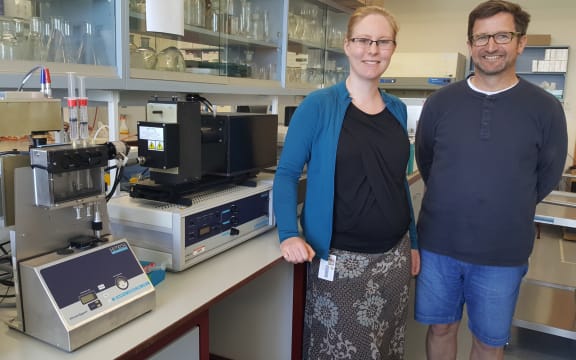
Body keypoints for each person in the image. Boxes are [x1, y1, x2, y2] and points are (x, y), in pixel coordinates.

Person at [414, 1, 568, 359]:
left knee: (489, 340)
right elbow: (427, 160)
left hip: (503, 251)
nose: (490, 46)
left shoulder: (545, 108)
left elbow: (547, 174)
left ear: (520, 42)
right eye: (481, 37)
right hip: (439, 245)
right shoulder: (440, 103)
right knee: (441, 328)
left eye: (502, 35)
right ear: (470, 44)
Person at [273, 5, 420, 360]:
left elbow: (397, 180)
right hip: (341, 263)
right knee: (339, 351)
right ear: (347, 45)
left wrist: (413, 242)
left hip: (394, 259)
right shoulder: (318, 106)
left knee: (386, 349)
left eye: (382, 42)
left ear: (393, 48)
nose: (373, 50)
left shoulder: (397, 109)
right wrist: (288, 233)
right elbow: (287, 173)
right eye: (364, 40)